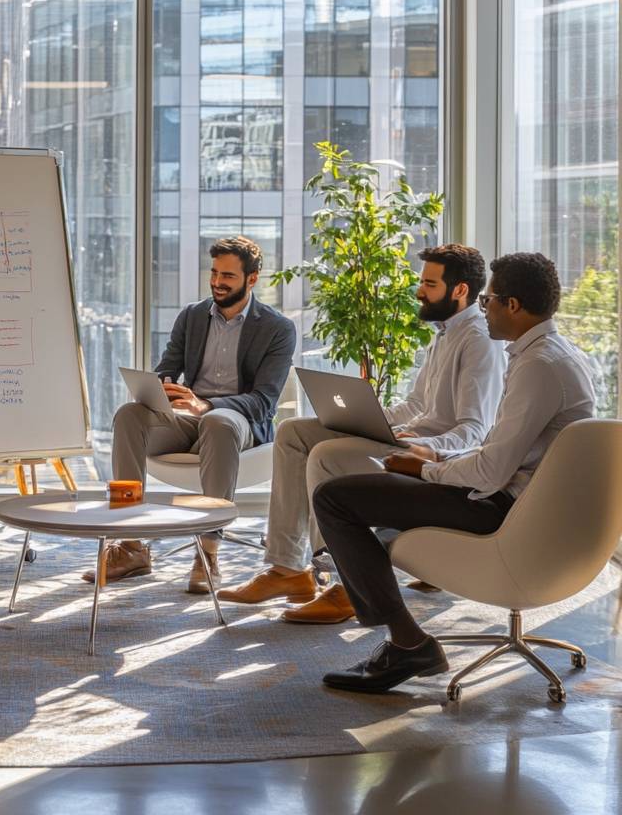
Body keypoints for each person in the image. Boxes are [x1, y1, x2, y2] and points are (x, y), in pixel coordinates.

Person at [314, 252, 594, 694]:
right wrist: (436, 464)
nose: (484, 309)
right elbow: (501, 455)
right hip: (523, 504)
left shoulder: (538, 367)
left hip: (502, 511)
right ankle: (392, 616)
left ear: (514, 306)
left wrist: (426, 469)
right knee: (376, 501)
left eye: (489, 301)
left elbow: (491, 471)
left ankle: (408, 644)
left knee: (334, 497)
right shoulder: (554, 355)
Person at [219, 244, 507, 623]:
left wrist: (415, 444)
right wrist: (370, 419)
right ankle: (288, 570)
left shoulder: (479, 341)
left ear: (459, 291)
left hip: (430, 455)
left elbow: (473, 431)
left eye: (429, 284)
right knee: (293, 433)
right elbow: (417, 403)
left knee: (326, 454)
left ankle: (346, 584)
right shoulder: (445, 332)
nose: (419, 290)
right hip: (407, 436)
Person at [88, 235, 296, 593]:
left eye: (228, 276)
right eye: (214, 273)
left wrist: (209, 405)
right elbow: (168, 369)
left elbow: (264, 401)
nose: (217, 282)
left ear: (252, 279)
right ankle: (132, 544)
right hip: (186, 418)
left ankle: (208, 552)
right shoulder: (192, 315)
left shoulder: (277, 328)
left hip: (239, 420)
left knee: (217, 421)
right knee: (129, 415)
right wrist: (160, 390)